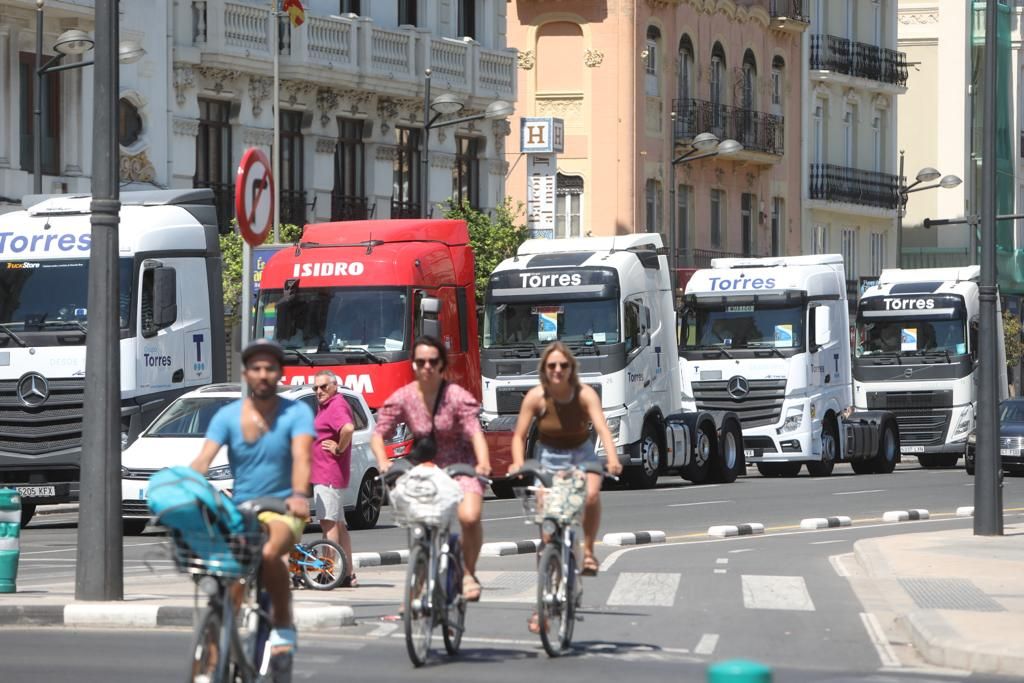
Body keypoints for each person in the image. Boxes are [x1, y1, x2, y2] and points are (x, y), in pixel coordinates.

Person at [190, 338, 314, 664]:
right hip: (243, 510)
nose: (263, 374)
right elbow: (203, 459)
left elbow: (302, 457)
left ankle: (283, 626)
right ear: (245, 374)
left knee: (272, 552)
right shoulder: (228, 416)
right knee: (229, 577)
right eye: (256, 368)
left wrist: (300, 495)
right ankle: (214, 658)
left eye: (269, 368)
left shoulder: (296, 413)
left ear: (279, 373)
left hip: (284, 508)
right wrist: (184, 489)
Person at [370, 335, 492, 601]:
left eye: (432, 362)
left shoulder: (455, 396)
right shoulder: (404, 396)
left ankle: (468, 573)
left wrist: (483, 463)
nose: (427, 367)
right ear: (413, 365)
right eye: (421, 361)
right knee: (418, 523)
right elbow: (379, 433)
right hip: (427, 466)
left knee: (470, 517)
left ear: (441, 365)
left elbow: (475, 433)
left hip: (462, 463)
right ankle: (417, 585)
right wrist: (384, 463)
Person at [510, 342, 622, 606]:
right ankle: (547, 591)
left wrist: (613, 458)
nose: (557, 370)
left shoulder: (584, 394)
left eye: (563, 365)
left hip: (581, 455)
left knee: (591, 496)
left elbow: (603, 429)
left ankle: (590, 551)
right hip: (548, 457)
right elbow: (519, 435)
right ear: (544, 370)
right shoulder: (536, 397)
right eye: (552, 365)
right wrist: (517, 463)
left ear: (571, 368)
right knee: (547, 534)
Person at [310, 369, 358, 587]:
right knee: (338, 525)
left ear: (335, 386)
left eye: (323, 387)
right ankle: (347, 574)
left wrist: (339, 448)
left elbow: (348, 427)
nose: (319, 391)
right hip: (328, 473)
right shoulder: (327, 405)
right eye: (315, 388)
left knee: (328, 524)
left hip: (328, 473)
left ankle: (329, 572)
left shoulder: (336, 404)